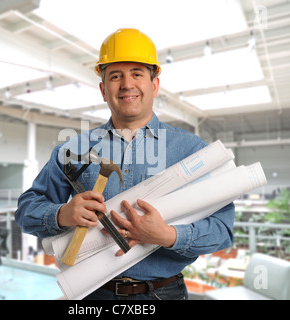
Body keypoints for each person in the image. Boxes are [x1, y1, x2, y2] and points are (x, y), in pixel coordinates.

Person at [15, 28, 235, 300]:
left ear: (154, 85)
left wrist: (168, 235)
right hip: (93, 295)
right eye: (115, 76)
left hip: (164, 294)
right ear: (103, 90)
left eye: (137, 73)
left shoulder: (193, 151)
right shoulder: (72, 150)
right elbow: (26, 211)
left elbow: (223, 231)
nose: (127, 84)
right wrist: (63, 213)